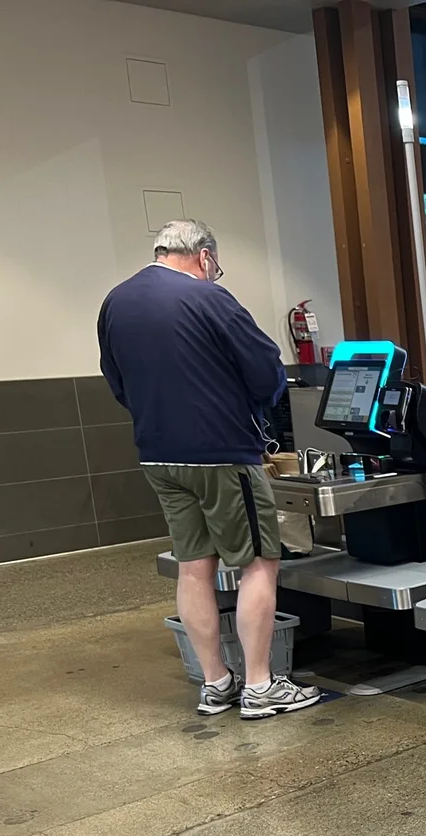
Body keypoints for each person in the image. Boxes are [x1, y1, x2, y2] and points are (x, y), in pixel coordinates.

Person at [97, 218, 320, 720]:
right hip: (222, 454)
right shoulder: (209, 298)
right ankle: (261, 687)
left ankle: (215, 683)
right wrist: (257, 412)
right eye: (214, 264)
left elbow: (115, 380)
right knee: (258, 561)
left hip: (157, 454)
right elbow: (266, 370)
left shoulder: (116, 301)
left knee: (194, 564)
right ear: (203, 256)